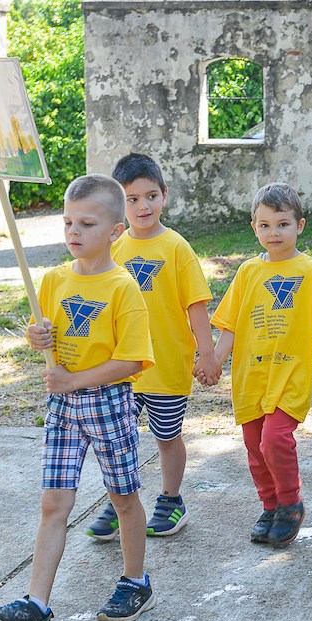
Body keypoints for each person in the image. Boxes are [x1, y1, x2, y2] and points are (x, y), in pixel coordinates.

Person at [0, 175, 157, 621]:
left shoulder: (123, 288)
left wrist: (75, 379)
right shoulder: (54, 278)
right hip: (63, 408)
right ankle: (36, 606)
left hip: (108, 404)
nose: (73, 232)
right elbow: (48, 334)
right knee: (54, 502)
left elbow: (133, 359)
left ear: (116, 231)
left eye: (87, 223)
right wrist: (36, 337)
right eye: (68, 222)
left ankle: (136, 581)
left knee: (122, 497)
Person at [211, 183, 312, 545]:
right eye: (264, 225)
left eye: (282, 224)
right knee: (254, 445)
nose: (273, 232)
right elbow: (231, 324)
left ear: (300, 226)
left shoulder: (309, 270)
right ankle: (270, 506)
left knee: (275, 440)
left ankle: (291, 503)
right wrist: (216, 359)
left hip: (289, 376)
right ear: (254, 228)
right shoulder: (248, 272)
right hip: (251, 377)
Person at [84, 154, 220, 542]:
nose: (143, 207)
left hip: (166, 366)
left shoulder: (177, 247)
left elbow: (196, 304)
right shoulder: (114, 248)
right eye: (131, 199)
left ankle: (171, 499)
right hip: (123, 367)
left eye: (151, 196)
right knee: (117, 436)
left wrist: (207, 354)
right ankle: (120, 501)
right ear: (117, 205)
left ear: (165, 196)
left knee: (166, 435)